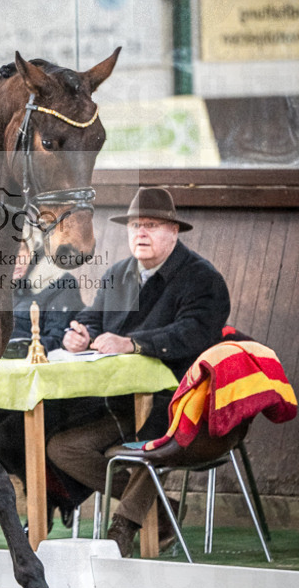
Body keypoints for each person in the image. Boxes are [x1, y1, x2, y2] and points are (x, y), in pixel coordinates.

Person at [44, 186, 231, 556]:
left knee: (149, 445)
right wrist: (79, 336)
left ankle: (123, 527)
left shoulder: (202, 278)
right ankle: (162, 510)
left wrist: (133, 343)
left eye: (152, 225)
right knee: (62, 448)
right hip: (121, 400)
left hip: (180, 402)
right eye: (134, 226)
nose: (140, 233)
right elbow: (91, 318)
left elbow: (195, 333)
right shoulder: (118, 273)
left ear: (174, 232)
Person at [0, 242, 83, 529]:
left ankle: (43, 504)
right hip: (8, 393)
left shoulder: (60, 281)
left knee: (6, 437)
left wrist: (15, 350)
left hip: (53, 393)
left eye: (21, 251)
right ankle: (49, 494)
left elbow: (59, 337)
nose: (15, 260)